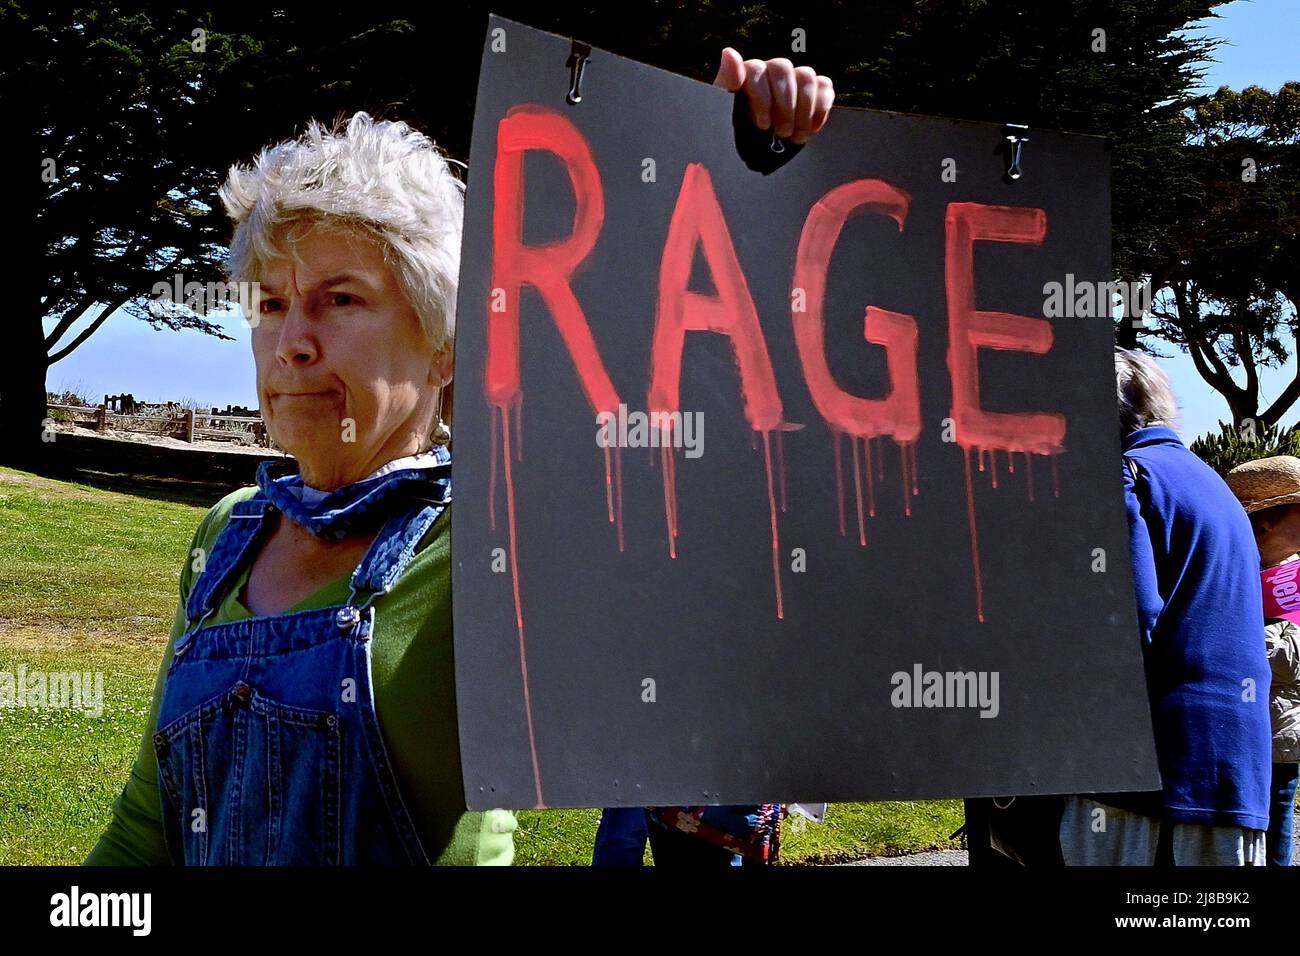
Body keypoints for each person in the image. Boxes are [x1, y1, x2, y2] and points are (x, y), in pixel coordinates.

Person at [87, 48, 834, 866]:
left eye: (340, 299)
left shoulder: (501, 539)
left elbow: (703, 768)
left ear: (445, 347)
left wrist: (737, 171)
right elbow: (145, 829)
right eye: (271, 303)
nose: (292, 342)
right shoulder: (227, 534)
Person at [1056, 350, 1272, 865]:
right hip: (1233, 774)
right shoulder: (1211, 484)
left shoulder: (1126, 476)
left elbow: (1126, 622)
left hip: (1149, 778)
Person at [1227, 456, 1300, 866]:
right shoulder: (1229, 568)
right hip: (1240, 725)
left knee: (1280, 814)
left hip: (1284, 730)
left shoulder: (1295, 573)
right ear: (1266, 520)